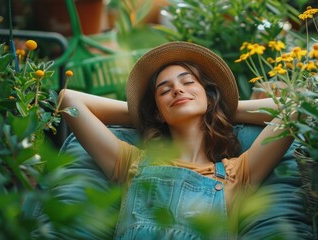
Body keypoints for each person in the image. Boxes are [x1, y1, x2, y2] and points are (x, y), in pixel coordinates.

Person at [58, 41, 295, 239]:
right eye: (164, 91)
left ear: (207, 96)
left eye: (188, 82)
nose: (178, 90)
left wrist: (220, 108)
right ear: (158, 112)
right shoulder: (131, 163)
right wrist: (146, 116)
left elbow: (295, 108)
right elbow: (69, 100)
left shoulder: (238, 172)